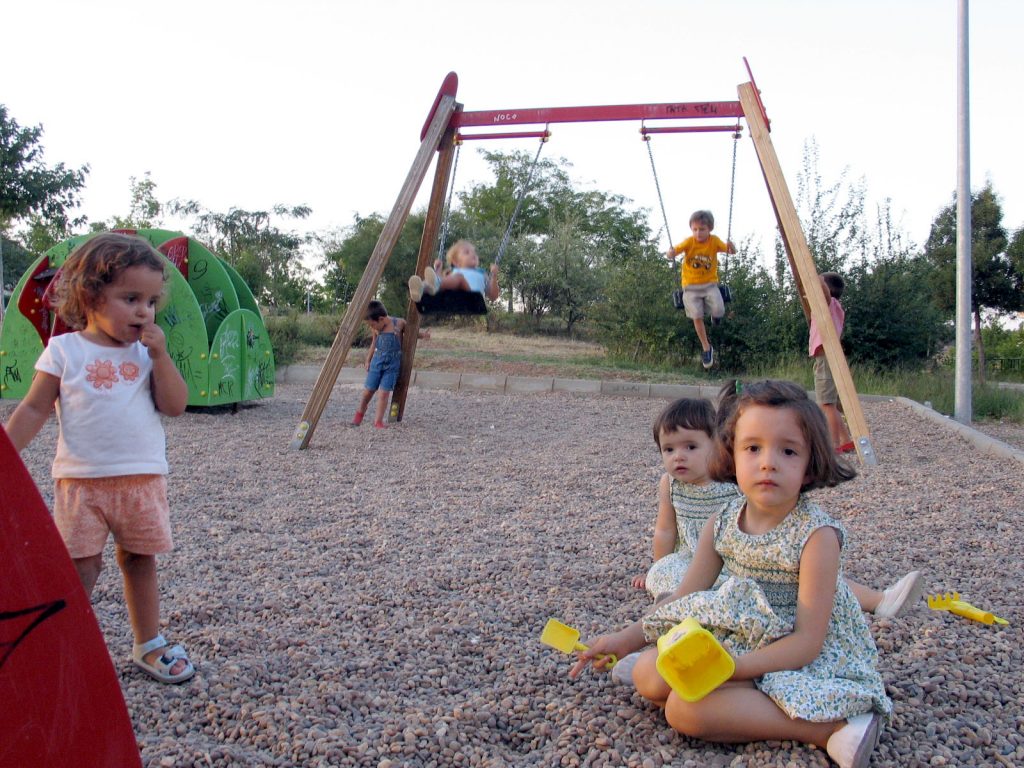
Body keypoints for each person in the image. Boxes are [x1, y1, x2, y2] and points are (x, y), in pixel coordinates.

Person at [573, 381, 894, 768]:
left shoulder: (817, 536)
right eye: (753, 448)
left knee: (684, 713)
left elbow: (807, 642)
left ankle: (835, 729)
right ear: (730, 455)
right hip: (735, 637)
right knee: (647, 676)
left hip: (789, 653)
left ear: (810, 466)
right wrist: (624, 639)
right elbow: (682, 599)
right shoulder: (722, 522)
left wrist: (730, 670)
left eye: (788, 451)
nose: (768, 462)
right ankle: (740, 699)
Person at [3, 232, 194, 684]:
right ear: (91, 295)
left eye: (150, 301)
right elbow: (32, 408)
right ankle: (62, 642)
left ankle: (148, 644)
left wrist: (162, 356)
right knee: (79, 565)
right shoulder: (64, 351)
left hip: (141, 481)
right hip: (81, 484)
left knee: (139, 559)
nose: (144, 311)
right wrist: (5, 454)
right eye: (131, 298)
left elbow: (175, 404)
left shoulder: (146, 354)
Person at [633, 390, 922, 617]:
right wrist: (657, 566)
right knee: (665, 573)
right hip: (692, 563)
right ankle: (677, 604)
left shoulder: (739, 480)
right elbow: (665, 531)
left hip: (740, 559)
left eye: (690, 447)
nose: (677, 457)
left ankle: (879, 600)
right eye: (668, 449)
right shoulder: (669, 485)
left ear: (718, 446)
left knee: (806, 581)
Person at [665, 210, 735, 370]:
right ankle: (706, 348)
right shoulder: (689, 242)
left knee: (719, 310)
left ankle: (715, 317)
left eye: (702, 229)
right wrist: (670, 253)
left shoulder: (714, 241)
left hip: (710, 284)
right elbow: (673, 252)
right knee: (696, 315)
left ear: (709, 229)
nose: (698, 233)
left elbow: (731, 251)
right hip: (690, 287)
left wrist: (732, 247)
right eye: (695, 229)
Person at [352, 300, 429, 429]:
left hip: (392, 366)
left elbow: (412, 333)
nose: (372, 328)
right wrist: (368, 360)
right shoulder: (376, 329)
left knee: (384, 393)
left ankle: (378, 421)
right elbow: (374, 344)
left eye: (372, 325)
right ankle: (359, 414)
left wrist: (424, 335)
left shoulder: (399, 323)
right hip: (377, 363)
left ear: (381, 319)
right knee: (368, 391)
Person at [810, 272, 854, 453]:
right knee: (833, 404)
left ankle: (833, 445)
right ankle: (845, 440)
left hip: (826, 358)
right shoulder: (832, 307)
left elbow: (824, 293)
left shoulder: (829, 304)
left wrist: (815, 277)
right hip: (828, 357)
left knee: (826, 404)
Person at [408, 239, 500, 303]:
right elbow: (443, 284)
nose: (473, 254)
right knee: (440, 282)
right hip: (453, 298)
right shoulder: (452, 272)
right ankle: (420, 289)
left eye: (474, 252)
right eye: (467, 252)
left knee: (457, 278)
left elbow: (493, 296)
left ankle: (434, 283)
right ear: (456, 262)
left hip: (472, 300)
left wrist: (494, 276)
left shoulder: (482, 273)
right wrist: (438, 269)